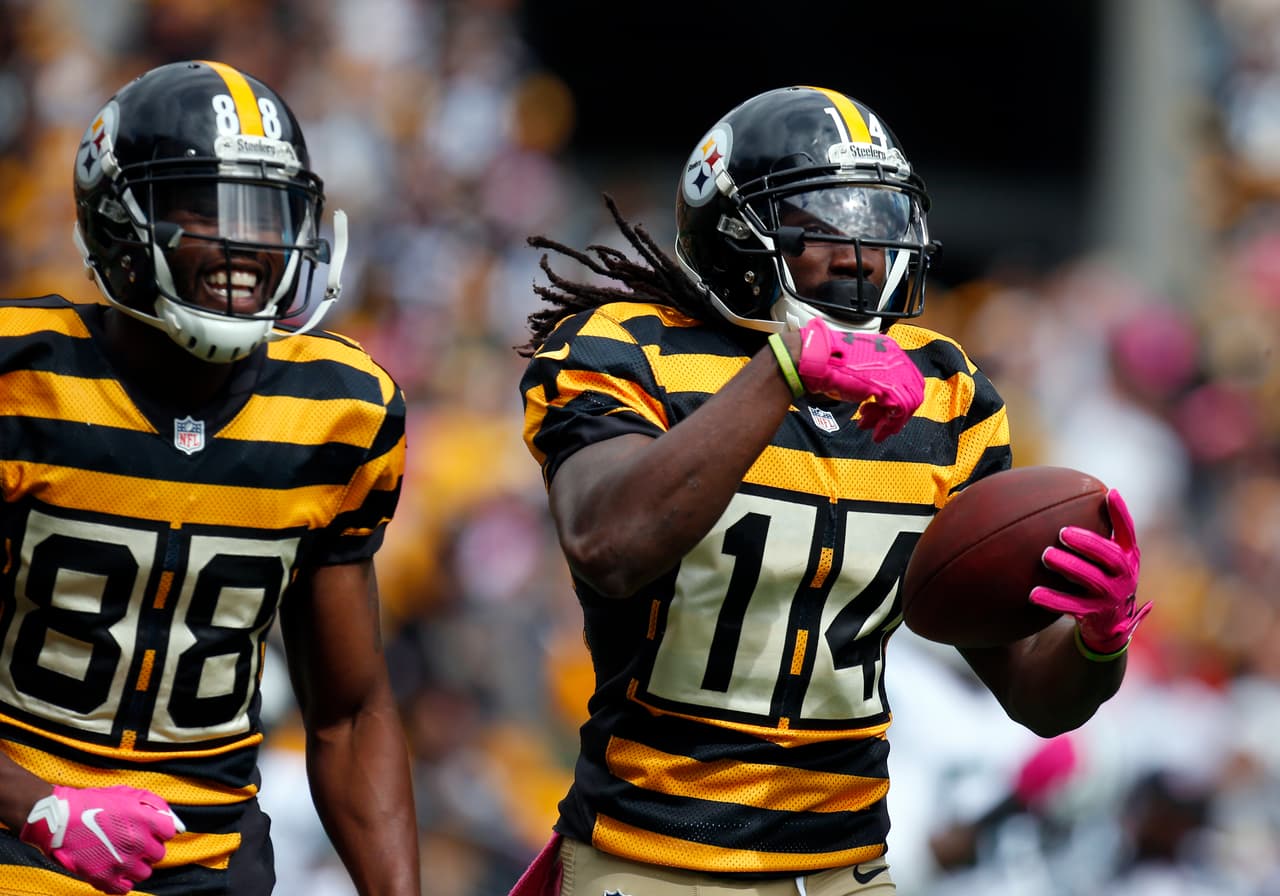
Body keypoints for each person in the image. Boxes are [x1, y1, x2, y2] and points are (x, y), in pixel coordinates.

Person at [510, 85, 1152, 895]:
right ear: (734, 233)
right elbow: (610, 545)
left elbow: (1033, 693)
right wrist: (782, 367)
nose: (859, 251)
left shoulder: (946, 392)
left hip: (848, 864)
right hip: (655, 853)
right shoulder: (625, 348)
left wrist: (1097, 640)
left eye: (877, 223)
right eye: (822, 222)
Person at [0, 60, 419, 895]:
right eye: (206, 209)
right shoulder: (22, 382)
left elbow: (348, 714)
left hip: (215, 859)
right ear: (122, 220)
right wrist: (39, 804)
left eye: (267, 215)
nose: (247, 244)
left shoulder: (338, 411)